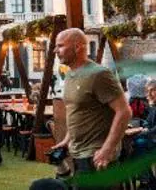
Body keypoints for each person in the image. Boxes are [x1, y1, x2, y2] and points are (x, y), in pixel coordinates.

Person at [51, 28, 130, 188]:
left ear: (78, 46)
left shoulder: (99, 74)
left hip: (97, 156)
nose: (55, 51)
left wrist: (107, 149)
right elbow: (77, 112)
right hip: (78, 154)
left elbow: (124, 112)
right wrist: (67, 140)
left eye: (60, 46)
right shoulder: (70, 75)